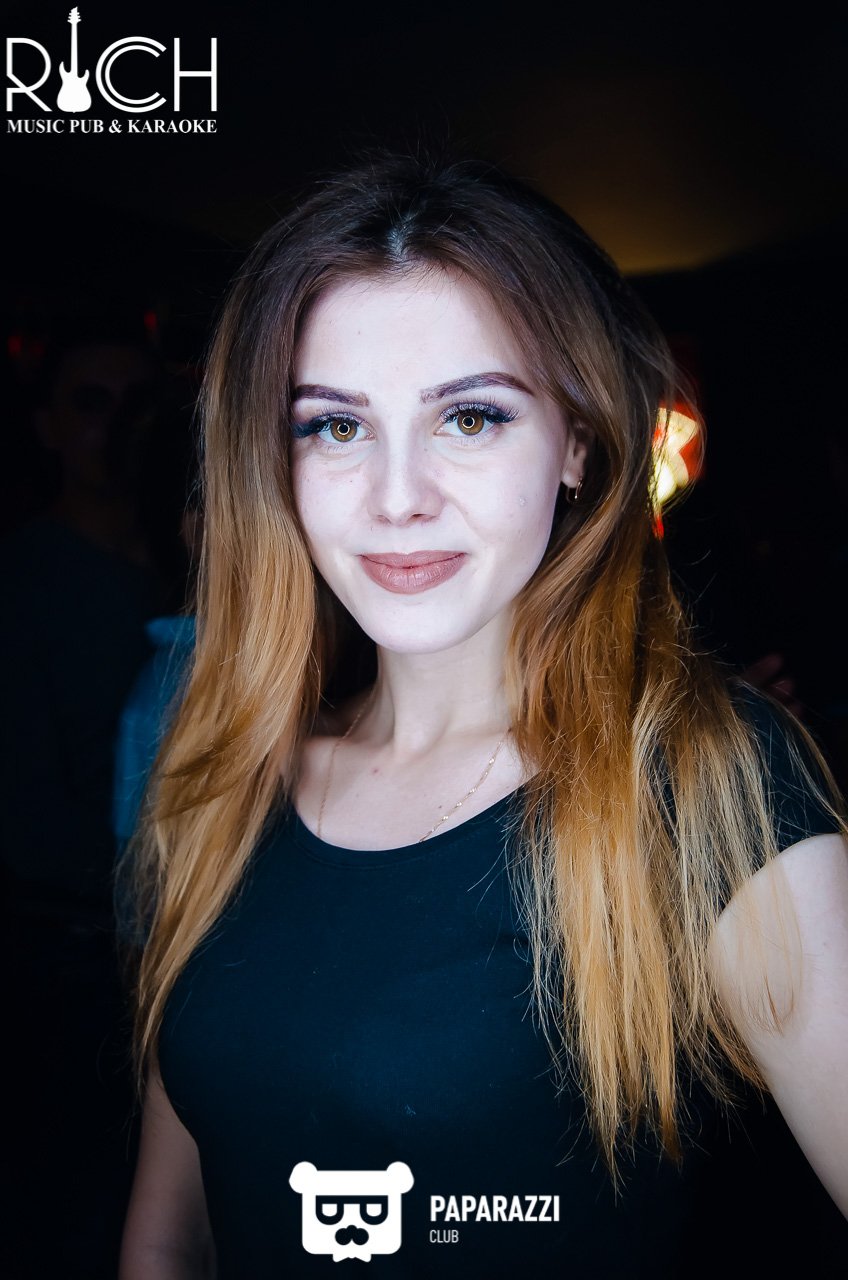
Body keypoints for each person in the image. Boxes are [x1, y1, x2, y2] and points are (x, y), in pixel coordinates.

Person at [116, 151, 848, 1279]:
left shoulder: (709, 783)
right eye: (335, 427)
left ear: (577, 442)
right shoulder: (225, 778)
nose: (397, 496)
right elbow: (170, 1235)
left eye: (469, 416)